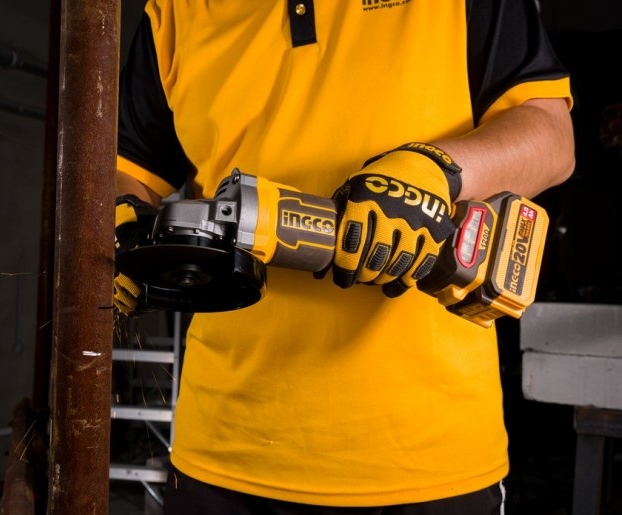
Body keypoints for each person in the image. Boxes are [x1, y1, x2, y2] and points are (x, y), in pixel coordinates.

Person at [112, 1, 575, 513]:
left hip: (428, 461)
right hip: (221, 450)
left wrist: (434, 172)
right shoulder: (176, 10)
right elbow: (127, 167)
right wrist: (118, 222)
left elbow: (550, 134)